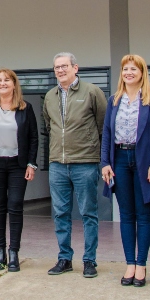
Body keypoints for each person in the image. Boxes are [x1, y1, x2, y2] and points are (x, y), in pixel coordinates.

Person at [101, 55, 150, 287]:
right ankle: (130, 263)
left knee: (144, 214)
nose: (128, 72)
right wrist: (105, 163)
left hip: (144, 161)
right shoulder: (114, 100)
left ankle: (141, 265)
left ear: (142, 73)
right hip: (119, 159)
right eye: (125, 69)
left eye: (133, 69)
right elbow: (107, 133)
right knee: (126, 215)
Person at [42, 52, 107, 277]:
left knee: (89, 213)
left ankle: (89, 261)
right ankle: (64, 258)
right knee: (60, 213)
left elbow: (103, 126)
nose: (60, 70)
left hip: (85, 163)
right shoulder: (50, 96)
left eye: (64, 66)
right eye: (56, 67)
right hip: (57, 164)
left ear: (75, 68)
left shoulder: (92, 92)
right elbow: (49, 126)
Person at [0, 68, 39, 272]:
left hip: (18, 164)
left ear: (14, 84)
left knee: (16, 205)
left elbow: (34, 137)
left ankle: (14, 252)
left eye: (6, 80)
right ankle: (0, 251)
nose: (2, 83)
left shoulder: (25, 108)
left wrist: (31, 164)